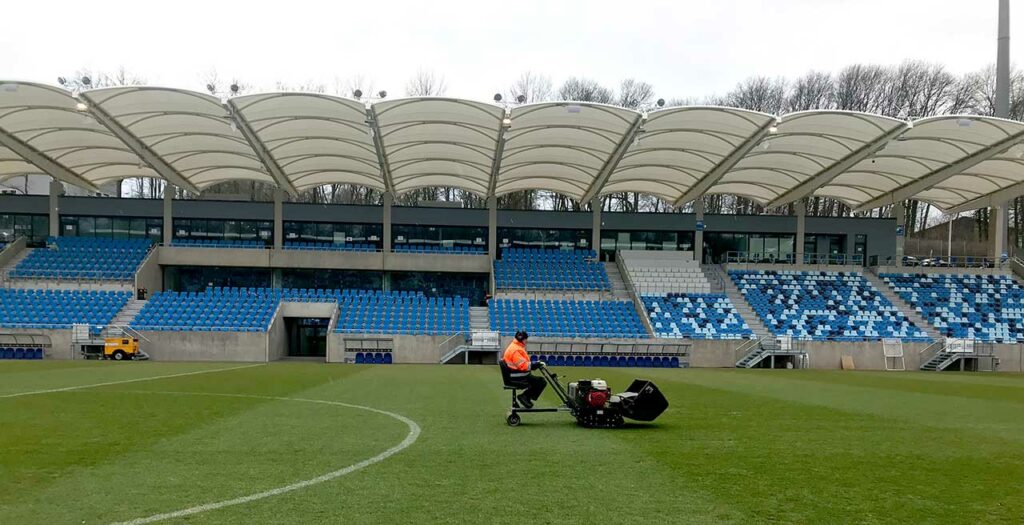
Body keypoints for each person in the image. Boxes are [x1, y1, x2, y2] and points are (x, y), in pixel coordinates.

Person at [501, 330, 546, 408]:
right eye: (526, 339)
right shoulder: (516, 349)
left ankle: (526, 397)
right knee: (541, 382)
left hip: (514, 374)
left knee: (538, 381)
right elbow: (523, 365)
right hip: (517, 376)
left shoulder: (515, 346)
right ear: (523, 339)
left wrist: (535, 363)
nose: (526, 341)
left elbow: (523, 362)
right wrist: (534, 365)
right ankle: (524, 397)